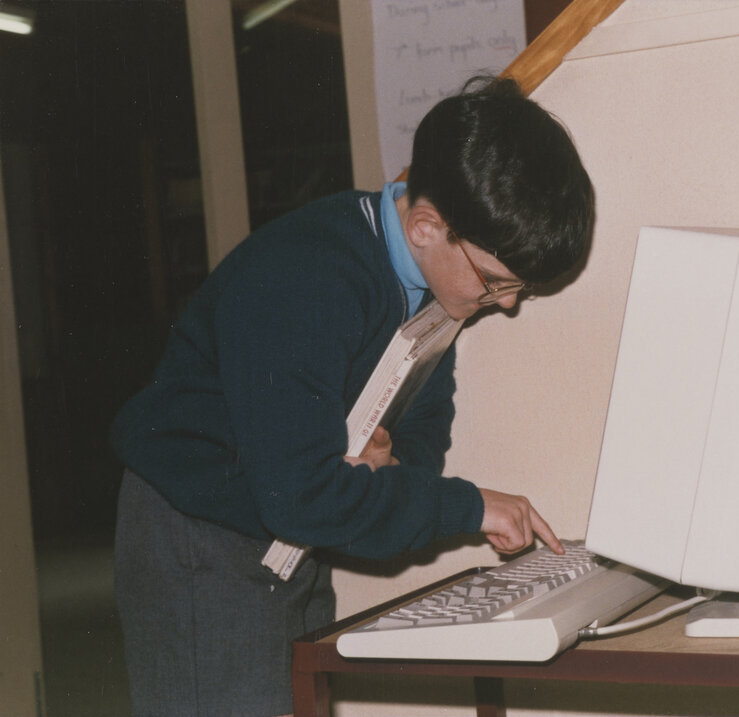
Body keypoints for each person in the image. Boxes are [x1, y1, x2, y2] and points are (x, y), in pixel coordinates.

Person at [110, 75, 595, 716]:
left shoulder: (435, 289)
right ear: (426, 225)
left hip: (290, 533)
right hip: (200, 536)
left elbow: (422, 425)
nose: (503, 305)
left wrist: (384, 475)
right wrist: (466, 508)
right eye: (496, 283)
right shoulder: (306, 277)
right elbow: (303, 496)